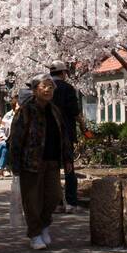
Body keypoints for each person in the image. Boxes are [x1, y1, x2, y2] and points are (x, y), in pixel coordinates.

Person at [9, 73, 74, 250]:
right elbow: (16, 138)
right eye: (44, 86)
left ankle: (44, 224)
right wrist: (14, 164)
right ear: (35, 89)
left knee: (54, 196)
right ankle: (35, 234)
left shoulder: (54, 110)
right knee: (32, 200)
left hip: (52, 160)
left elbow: (64, 135)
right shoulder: (26, 110)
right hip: (31, 162)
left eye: (51, 87)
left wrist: (68, 158)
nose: (48, 90)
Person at [49, 61, 84, 213]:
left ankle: (57, 203)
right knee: (69, 168)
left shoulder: (45, 88)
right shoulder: (67, 88)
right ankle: (71, 202)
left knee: (53, 169)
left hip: (49, 135)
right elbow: (74, 111)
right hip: (66, 134)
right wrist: (83, 125)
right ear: (63, 73)